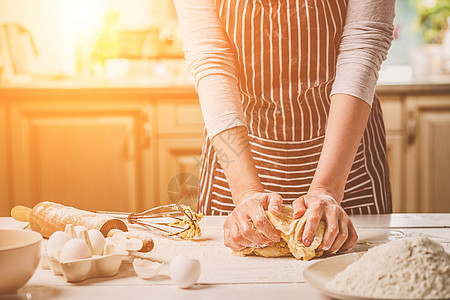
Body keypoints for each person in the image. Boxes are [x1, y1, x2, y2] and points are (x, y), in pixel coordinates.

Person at [173, 0, 395, 255]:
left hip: (346, 161)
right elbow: (209, 56)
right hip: (239, 159)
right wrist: (245, 191)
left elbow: (364, 43)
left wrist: (328, 189)